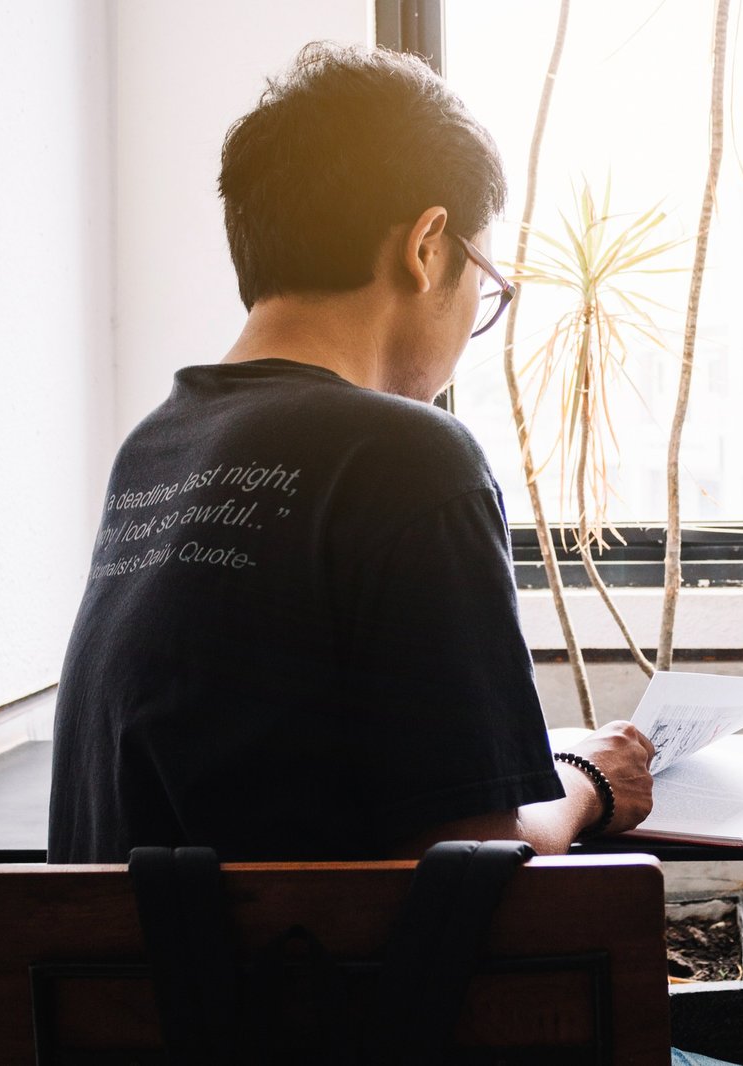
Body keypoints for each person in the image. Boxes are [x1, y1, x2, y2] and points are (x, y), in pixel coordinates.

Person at [46, 41, 655, 864]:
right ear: (428, 246)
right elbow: (475, 858)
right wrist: (587, 778)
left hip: (128, 991)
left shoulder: (153, 450)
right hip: (306, 992)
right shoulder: (409, 460)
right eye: (485, 281)